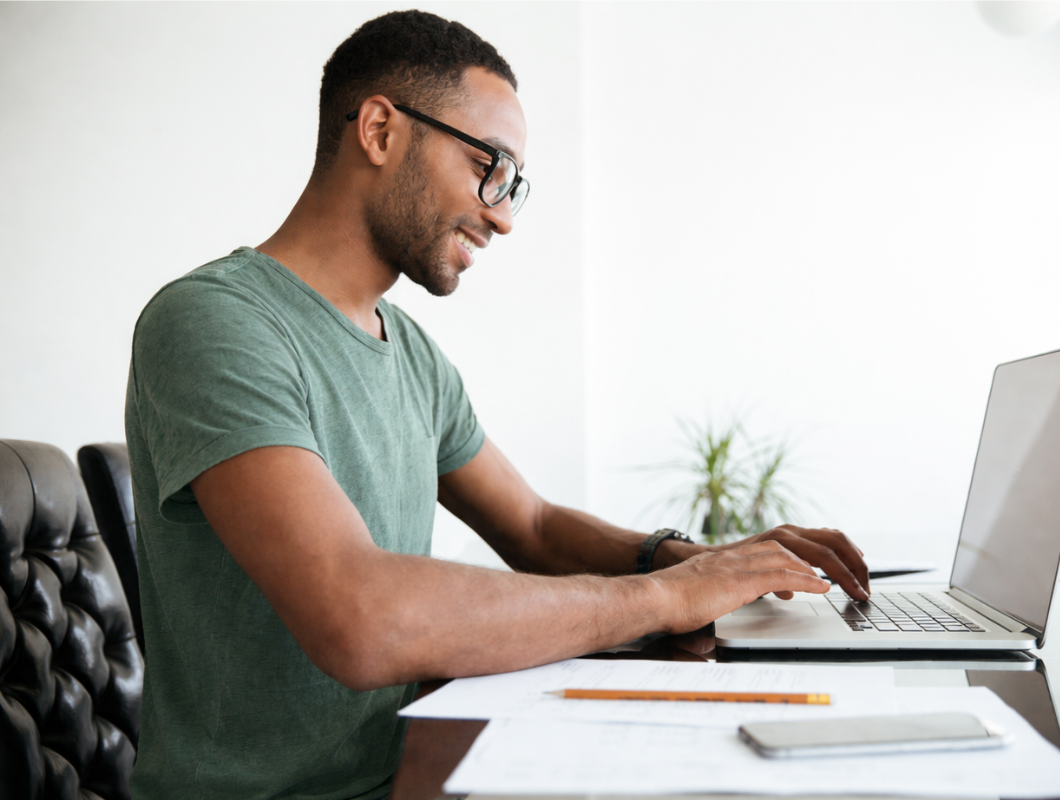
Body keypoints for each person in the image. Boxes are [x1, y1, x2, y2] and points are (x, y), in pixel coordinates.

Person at [124, 9, 870, 800]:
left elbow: (535, 527)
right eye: (491, 167)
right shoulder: (215, 323)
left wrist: (699, 562)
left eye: (514, 186)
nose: (503, 215)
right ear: (380, 130)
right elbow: (358, 616)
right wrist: (666, 596)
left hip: (413, 771)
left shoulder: (409, 352)